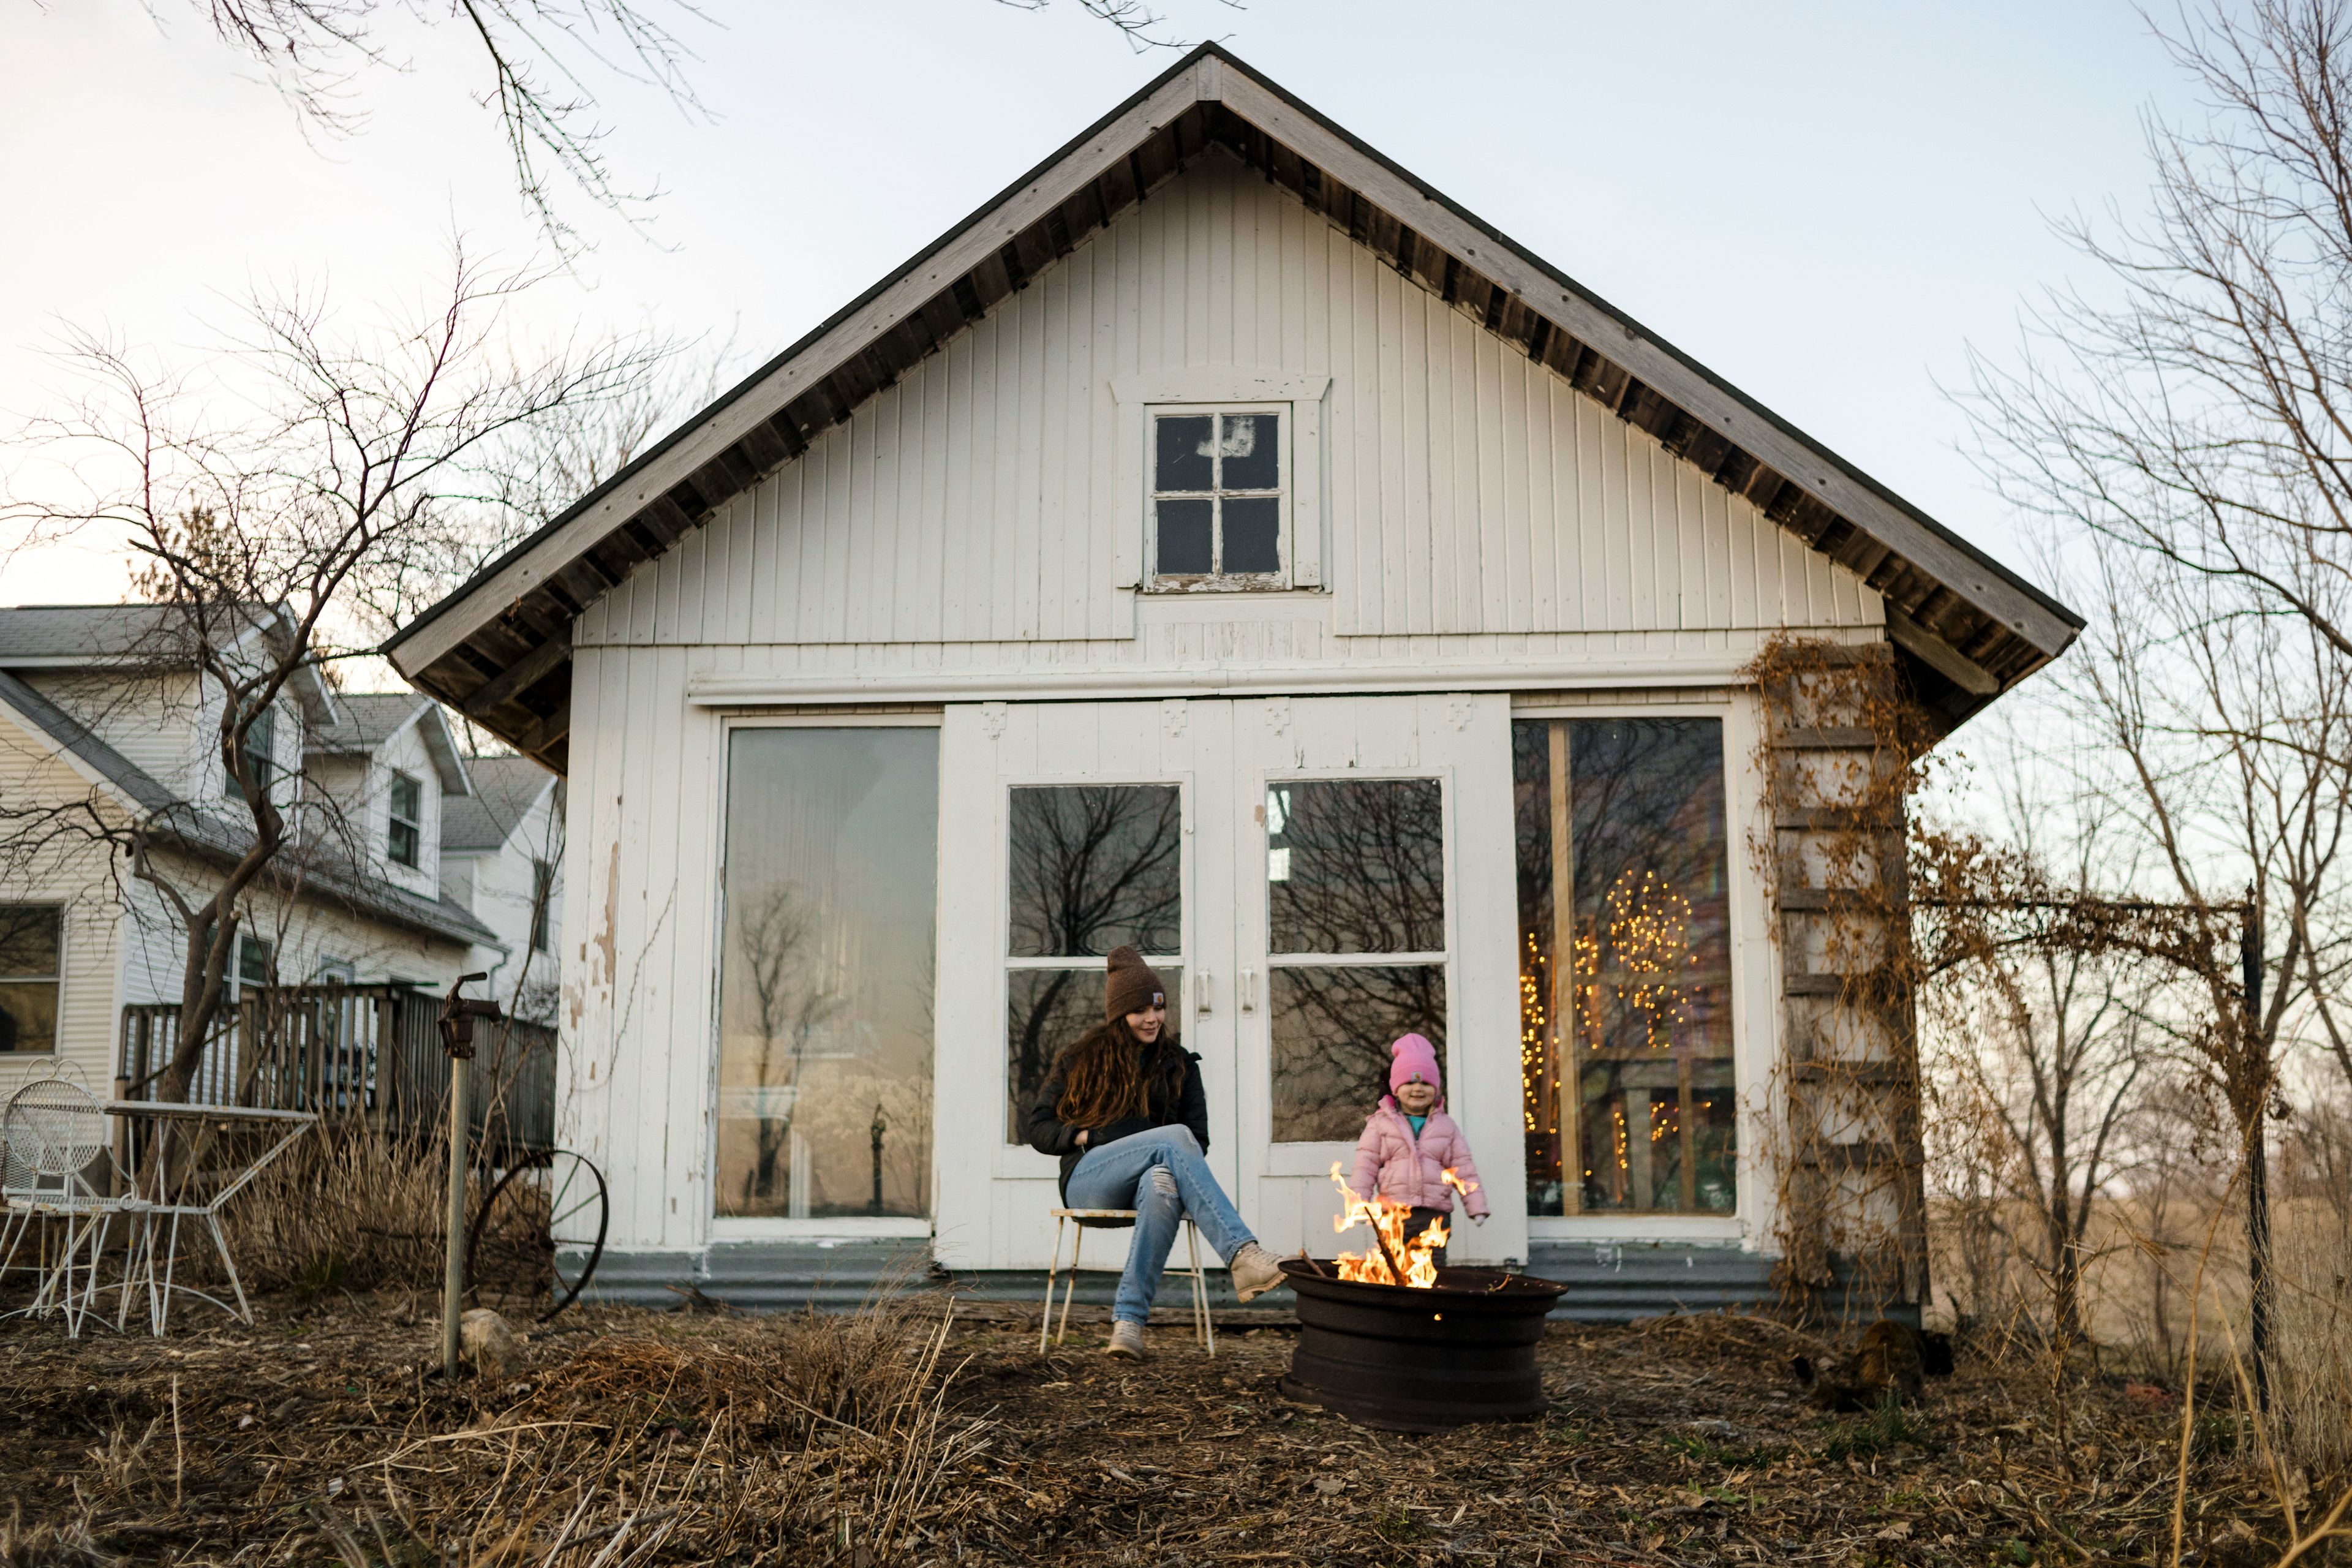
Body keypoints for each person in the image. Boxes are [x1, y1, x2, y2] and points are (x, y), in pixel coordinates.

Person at [1027, 946, 1286, 1360]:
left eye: (1159, 1009)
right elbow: (1038, 1128)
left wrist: (1157, 1149)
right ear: (1119, 1015)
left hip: (1147, 1183)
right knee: (1172, 1138)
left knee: (1165, 1181)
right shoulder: (1082, 1059)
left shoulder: (1180, 1064)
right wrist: (1086, 1138)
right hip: (1090, 1181)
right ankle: (1241, 1253)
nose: (1153, 1019)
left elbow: (1196, 1143)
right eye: (1140, 1011)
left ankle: (1128, 1325)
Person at [1349, 1033, 1489, 1267]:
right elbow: (1365, 1166)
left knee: (1432, 1271)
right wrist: (1359, 1205)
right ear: (1395, 1088)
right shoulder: (1380, 1125)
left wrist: (1476, 1206)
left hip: (1434, 1216)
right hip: (1393, 1214)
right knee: (1393, 1268)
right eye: (1410, 1083)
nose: (1417, 1089)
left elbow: (1465, 1170)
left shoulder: (1446, 1127)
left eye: (1425, 1083)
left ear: (1435, 1089)